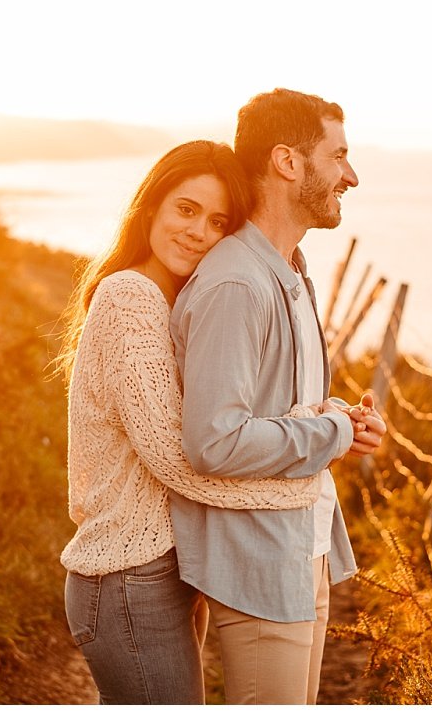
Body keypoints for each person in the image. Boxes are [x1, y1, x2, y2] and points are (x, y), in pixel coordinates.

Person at [55, 140, 329, 705]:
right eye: (185, 209)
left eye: (217, 221)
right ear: (150, 206)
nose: (198, 231)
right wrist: (303, 482)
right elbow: (181, 458)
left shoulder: (175, 298)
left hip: (163, 576)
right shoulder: (129, 296)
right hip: (126, 578)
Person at [169, 89, 386, 705]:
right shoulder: (238, 281)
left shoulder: (287, 270)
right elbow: (215, 440)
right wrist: (334, 434)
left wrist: (338, 417)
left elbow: (274, 409)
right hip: (260, 566)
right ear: (287, 162)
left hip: (300, 548)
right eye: (338, 155)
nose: (351, 175)